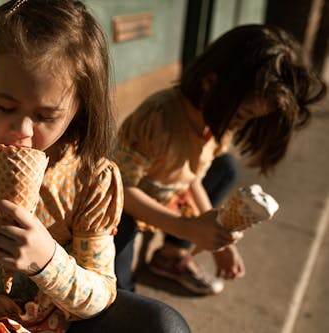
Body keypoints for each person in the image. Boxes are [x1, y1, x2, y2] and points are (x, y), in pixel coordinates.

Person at [0, 1, 190, 332]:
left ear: (80, 107)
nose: (22, 130)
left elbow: (101, 292)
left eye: (46, 116)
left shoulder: (91, 179)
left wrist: (48, 261)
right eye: (5, 106)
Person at [113, 24, 326, 295]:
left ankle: (171, 255)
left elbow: (193, 179)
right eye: (242, 115)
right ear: (210, 84)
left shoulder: (214, 123)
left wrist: (221, 241)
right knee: (120, 241)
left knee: (225, 168)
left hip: (167, 195)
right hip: (128, 207)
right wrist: (186, 227)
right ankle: (123, 298)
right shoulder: (158, 118)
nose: (239, 126)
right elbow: (119, 189)